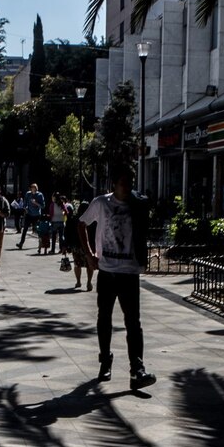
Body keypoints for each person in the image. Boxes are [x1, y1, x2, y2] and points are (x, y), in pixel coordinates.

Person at [78, 164, 156, 390]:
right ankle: (105, 361)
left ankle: (137, 369)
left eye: (130, 182)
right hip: (108, 271)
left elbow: (143, 231)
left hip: (129, 272)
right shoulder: (102, 203)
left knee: (133, 322)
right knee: (105, 318)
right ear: (114, 184)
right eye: (123, 182)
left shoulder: (137, 204)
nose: (127, 186)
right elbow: (81, 224)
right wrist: (90, 255)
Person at [64, 202, 96, 290]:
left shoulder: (73, 219)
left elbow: (67, 232)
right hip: (88, 246)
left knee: (77, 264)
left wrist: (66, 245)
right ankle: (89, 283)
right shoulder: (92, 220)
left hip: (76, 246)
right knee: (89, 265)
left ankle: (78, 281)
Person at [16, 183, 45, 249]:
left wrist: (36, 203)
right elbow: (25, 203)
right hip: (29, 214)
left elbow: (43, 206)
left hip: (37, 214)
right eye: (31, 187)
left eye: (34, 188)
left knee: (37, 229)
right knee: (25, 229)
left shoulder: (40, 195)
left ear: (36, 189)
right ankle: (21, 243)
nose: (32, 189)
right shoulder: (28, 194)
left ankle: (41, 242)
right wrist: (25, 208)